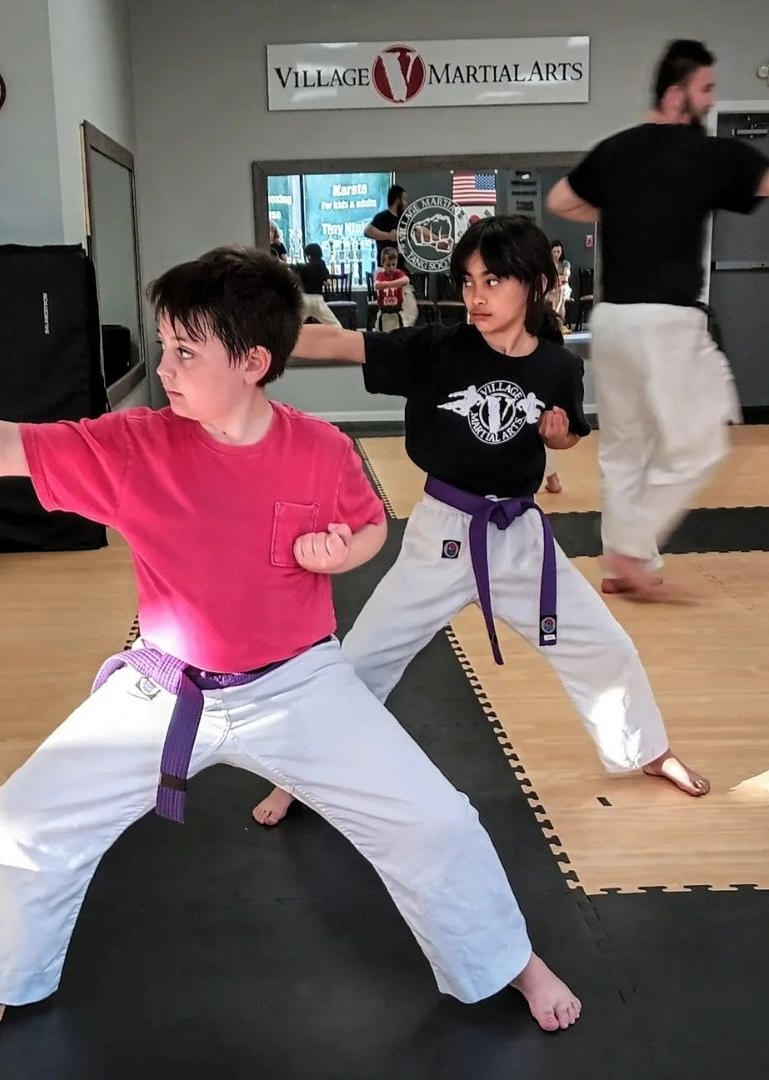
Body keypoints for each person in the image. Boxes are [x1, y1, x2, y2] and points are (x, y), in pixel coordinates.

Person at [0, 247, 581, 1034]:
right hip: (166, 688)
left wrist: (349, 551)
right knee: (23, 816)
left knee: (437, 821)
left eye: (184, 352)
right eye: (164, 345)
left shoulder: (321, 449)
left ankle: (508, 960)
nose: (163, 367)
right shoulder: (134, 445)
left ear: (253, 362)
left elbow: (371, 520)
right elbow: (4, 445)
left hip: (302, 686)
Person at [252, 217, 708, 834]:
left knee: (603, 644)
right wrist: (250, 332)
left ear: (538, 284)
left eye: (493, 280)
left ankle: (647, 751)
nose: (476, 296)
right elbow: (341, 344)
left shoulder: (556, 366)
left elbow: (571, 429)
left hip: (519, 536)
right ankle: (297, 774)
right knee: (365, 656)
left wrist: (559, 435)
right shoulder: (438, 348)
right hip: (442, 532)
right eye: (468, 281)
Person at [547, 39, 769, 599]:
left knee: (625, 448)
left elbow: (561, 201)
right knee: (702, 443)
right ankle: (630, 547)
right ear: (676, 94)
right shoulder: (706, 156)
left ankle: (620, 565)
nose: (712, 101)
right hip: (665, 323)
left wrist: (624, 206)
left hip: (613, 320)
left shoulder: (614, 151)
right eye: (707, 89)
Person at [366, 185, 418, 327]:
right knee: (387, 307)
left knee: (410, 308)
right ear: (397, 199)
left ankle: (399, 335)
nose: (406, 203)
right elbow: (368, 231)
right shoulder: (382, 218)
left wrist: (437, 239)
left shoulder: (403, 220)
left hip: (399, 270)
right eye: (404, 199)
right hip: (384, 270)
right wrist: (388, 235)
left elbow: (418, 229)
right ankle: (388, 335)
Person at [291, 242, 340, 326]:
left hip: (304, 299)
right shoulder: (322, 265)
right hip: (317, 300)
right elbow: (328, 282)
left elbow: (294, 276)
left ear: (309, 256)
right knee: (334, 324)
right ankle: (342, 337)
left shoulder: (303, 268)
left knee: (295, 326)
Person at [373, 246, 409, 331]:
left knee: (401, 332)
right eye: (388, 265)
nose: (391, 268)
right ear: (382, 263)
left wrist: (387, 284)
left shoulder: (399, 274)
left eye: (394, 264)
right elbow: (376, 285)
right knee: (380, 333)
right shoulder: (380, 275)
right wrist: (394, 284)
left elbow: (406, 280)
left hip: (397, 311)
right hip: (383, 311)